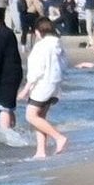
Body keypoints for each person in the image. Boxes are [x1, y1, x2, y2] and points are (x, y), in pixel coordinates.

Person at [19, 18, 68, 159]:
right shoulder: (58, 45)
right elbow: (65, 63)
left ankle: (58, 137)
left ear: (38, 32)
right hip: (55, 84)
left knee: (31, 116)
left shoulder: (41, 47)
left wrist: (26, 89)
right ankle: (41, 151)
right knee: (40, 117)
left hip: (43, 84)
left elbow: (37, 70)